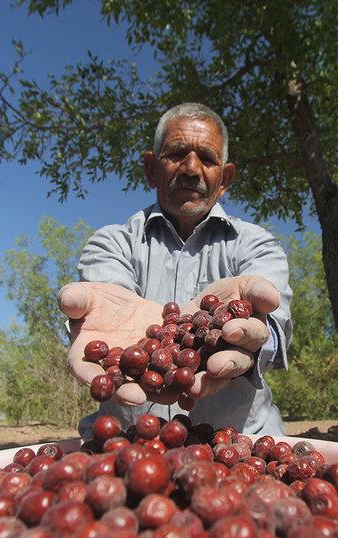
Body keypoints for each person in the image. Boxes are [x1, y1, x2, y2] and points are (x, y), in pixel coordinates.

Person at [58, 102, 293, 437]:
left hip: (240, 443)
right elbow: (110, 298)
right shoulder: (112, 242)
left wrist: (256, 336)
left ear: (224, 179)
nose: (192, 168)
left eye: (207, 159)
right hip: (127, 445)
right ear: (152, 169)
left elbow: (274, 324)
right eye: (177, 153)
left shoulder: (255, 243)